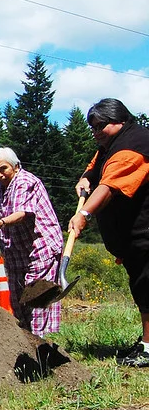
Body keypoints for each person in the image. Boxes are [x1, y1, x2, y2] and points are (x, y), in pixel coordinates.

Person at [68, 98, 149, 366]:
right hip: (134, 239)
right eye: (92, 127)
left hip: (145, 234)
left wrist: (83, 215)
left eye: (100, 126)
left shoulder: (133, 147)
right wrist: (85, 177)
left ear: (120, 121)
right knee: (142, 287)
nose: (95, 132)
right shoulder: (110, 145)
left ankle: (148, 349)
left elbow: (109, 186)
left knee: (147, 288)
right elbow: (96, 168)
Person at [0, 147, 63, 337]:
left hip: (39, 248)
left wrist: (1, 222)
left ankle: (39, 347)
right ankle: (27, 341)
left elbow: (22, 213)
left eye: (3, 169)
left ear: (16, 166)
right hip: (16, 251)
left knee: (36, 298)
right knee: (18, 301)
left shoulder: (25, 182)